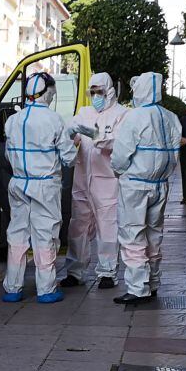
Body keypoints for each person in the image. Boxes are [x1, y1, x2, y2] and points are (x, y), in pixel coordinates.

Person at [2, 72, 78, 304]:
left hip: (17, 183)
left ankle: (13, 288)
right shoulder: (54, 120)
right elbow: (69, 158)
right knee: (45, 235)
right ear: (47, 92)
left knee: (17, 235)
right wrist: (74, 144)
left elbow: (8, 154)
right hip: (44, 185)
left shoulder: (13, 120)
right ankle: (46, 289)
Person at [110, 71, 184, 305]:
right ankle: (152, 283)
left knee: (132, 234)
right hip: (160, 186)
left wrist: (119, 171)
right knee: (154, 234)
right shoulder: (171, 117)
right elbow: (174, 155)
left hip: (135, 185)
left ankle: (136, 288)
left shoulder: (134, 117)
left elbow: (121, 155)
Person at [61, 72, 126, 290]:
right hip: (82, 179)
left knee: (107, 228)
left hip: (107, 181)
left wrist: (97, 136)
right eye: (93, 92)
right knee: (78, 226)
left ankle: (107, 272)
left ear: (109, 91)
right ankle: (74, 271)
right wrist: (70, 134)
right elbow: (70, 137)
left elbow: (119, 143)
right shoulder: (84, 113)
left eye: (100, 92)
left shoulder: (121, 114)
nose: (96, 96)